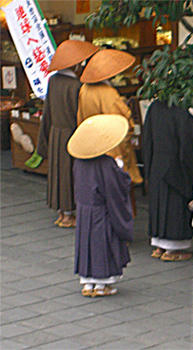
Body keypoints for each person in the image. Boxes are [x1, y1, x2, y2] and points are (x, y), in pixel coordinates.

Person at [67, 114, 134, 297]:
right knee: (102, 244)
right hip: (101, 212)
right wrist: (120, 167)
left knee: (86, 243)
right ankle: (102, 285)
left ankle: (88, 283)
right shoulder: (106, 164)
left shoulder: (79, 162)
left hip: (84, 209)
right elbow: (115, 188)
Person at [37, 40, 98, 228]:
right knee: (71, 173)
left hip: (56, 132)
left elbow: (47, 112)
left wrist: (44, 140)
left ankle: (61, 213)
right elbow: (80, 114)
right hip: (72, 133)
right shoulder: (76, 86)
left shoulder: (54, 81)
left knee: (58, 172)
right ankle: (69, 214)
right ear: (76, 64)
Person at [78, 49, 143, 216]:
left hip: (92, 145)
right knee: (118, 190)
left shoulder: (84, 89)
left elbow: (80, 118)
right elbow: (122, 122)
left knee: (98, 188)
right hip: (112, 148)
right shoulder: (108, 93)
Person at [143, 100, 193, 261]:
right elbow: (190, 144)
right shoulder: (181, 112)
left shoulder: (154, 107)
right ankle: (173, 249)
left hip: (157, 164)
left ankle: (159, 246)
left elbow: (147, 138)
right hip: (176, 167)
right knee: (174, 206)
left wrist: (148, 167)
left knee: (159, 205)